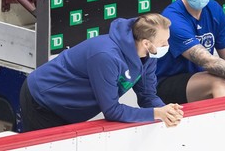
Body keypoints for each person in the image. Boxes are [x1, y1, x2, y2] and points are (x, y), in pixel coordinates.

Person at [20, 13, 183, 132]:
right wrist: (156, 113)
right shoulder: (106, 56)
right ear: (147, 43)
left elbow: (147, 96)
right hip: (42, 99)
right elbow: (112, 110)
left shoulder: (149, 56)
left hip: (69, 108)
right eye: (164, 42)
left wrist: (166, 111)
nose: (167, 45)